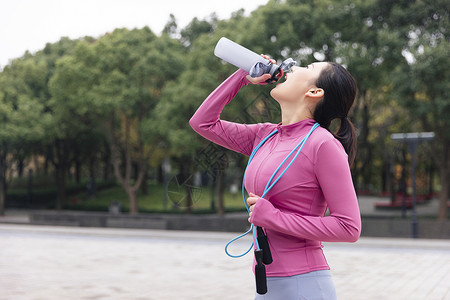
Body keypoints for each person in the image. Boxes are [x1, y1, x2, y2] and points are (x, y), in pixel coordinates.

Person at [189, 56, 361, 300]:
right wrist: (242, 77)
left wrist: (274, 217)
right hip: (268, 283)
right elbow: (202, 123)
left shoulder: (323, 145)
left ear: (314, 91)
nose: (293, 66)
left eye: (307, 67)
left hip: (304, 284)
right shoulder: (265, 135)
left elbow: (349, 227)